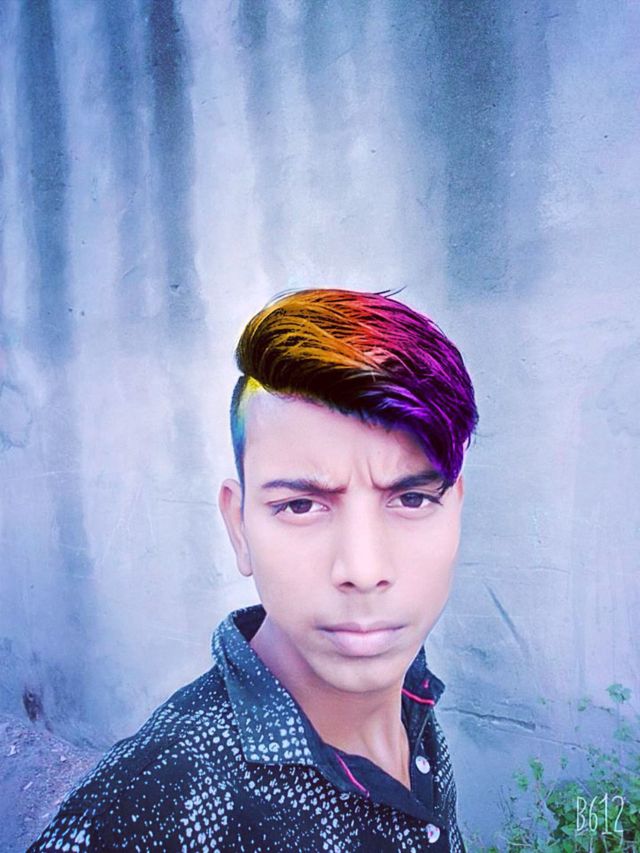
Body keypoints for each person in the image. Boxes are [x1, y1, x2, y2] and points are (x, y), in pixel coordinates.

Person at [29, 288, 478, 852]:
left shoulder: (409, 686)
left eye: (412, 499)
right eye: (301, 506)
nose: (363, 571)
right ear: (238, 528)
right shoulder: (152, 807)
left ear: (455, 509)